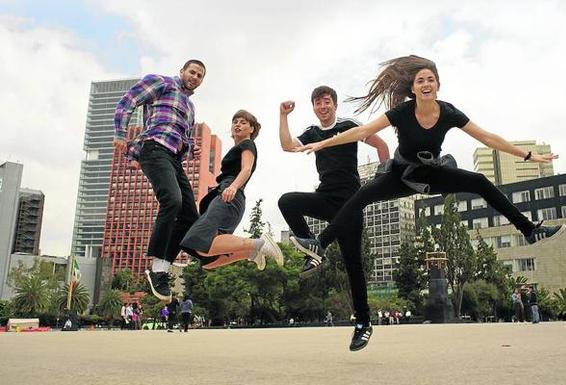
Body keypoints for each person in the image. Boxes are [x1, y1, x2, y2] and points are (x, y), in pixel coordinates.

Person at [294, 55, 566, 351]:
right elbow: (362, 132)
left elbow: (487, 137)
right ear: (413, 88)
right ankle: (321, 244)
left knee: (479, 181)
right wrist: (322, 143)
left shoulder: (448, 112)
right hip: (400, 174)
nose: (425, 84)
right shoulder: (403, 111)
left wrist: (527, 156)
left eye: (430, 80)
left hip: (432, 173)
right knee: (360, 196)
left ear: (438, 85)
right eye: (420, 80)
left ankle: (529, 230)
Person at [113, 59, 206, 303]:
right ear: (182, 71)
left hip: (173, 158)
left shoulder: (191, 107)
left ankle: (162, 268)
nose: (194, 77)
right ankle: (156, 267)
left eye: (199, 75)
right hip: (154, 149)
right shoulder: (162, 82)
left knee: (189, 217)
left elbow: (182, 136)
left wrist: (192, 148)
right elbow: (129, 101)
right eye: (192, 72)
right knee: (172, 200)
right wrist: (121, 134)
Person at [278, 86, 389, 278]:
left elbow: (381, 145)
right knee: (286, 201)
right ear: (313, 107)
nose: (323, 106)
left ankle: (362, 310)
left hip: (350, 201)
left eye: (327, 101)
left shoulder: (348, 124)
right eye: (318, 103)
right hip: (325, 198)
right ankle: (313, 247)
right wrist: (283, 115)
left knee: (353, 265)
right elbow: (287, 146)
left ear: (335, 105)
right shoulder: (312, 132)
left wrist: (384, 178)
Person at [179, 110, 283, 270]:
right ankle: (251, 253)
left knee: (201, 240)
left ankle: (260, 243)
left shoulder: (247, 144)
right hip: (228, 195)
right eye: (235, 122)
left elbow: (246, 169)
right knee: (208, 260)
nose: (237, 125)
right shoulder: (238, 148)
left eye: (243, 122)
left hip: (229, 195)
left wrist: (233, 187)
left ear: (252, 129)